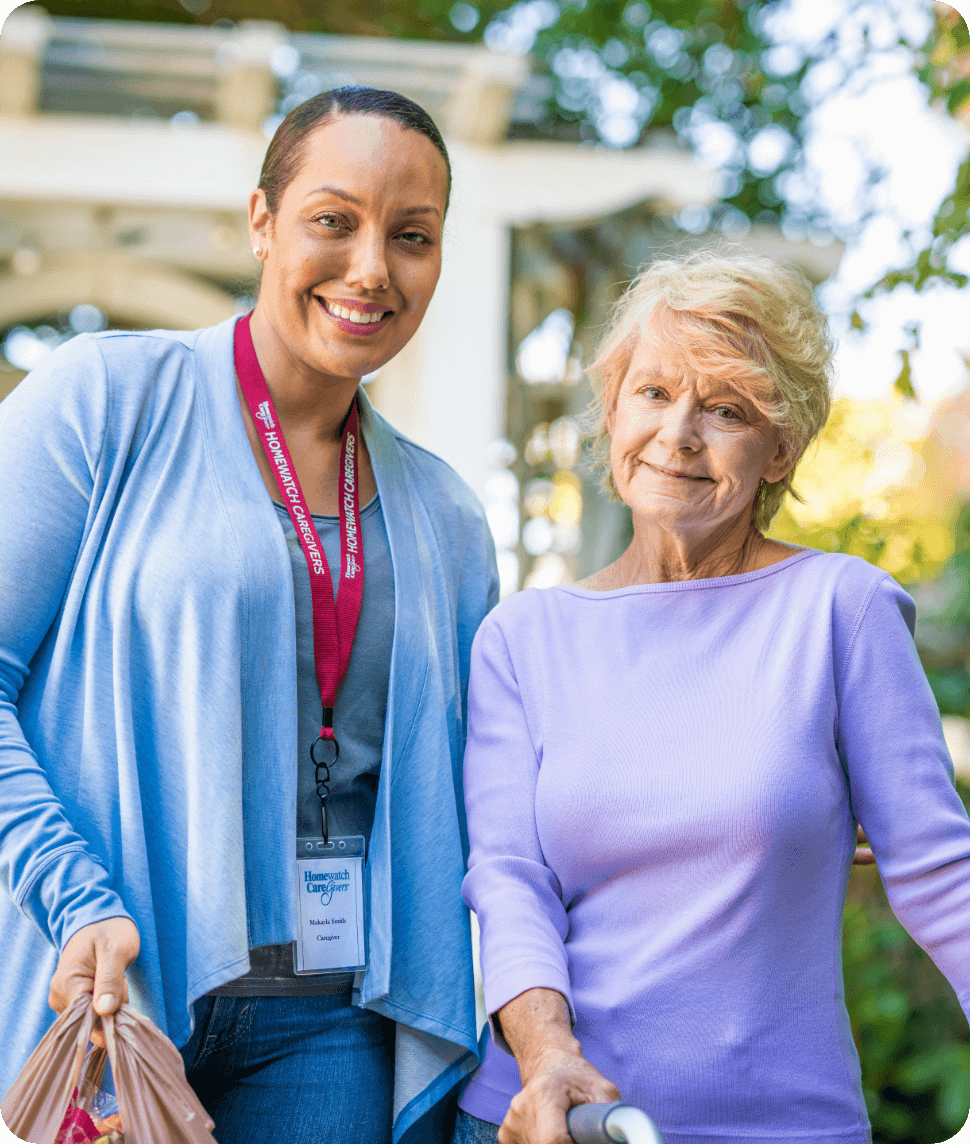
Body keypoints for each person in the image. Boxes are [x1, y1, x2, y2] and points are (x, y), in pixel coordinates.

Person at [0, 86, 497, 1144]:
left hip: (330, 1022)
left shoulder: (450, 518)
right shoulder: (103, 398)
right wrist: (73, 892)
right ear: (262, 220)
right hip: (103, 989)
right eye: (334, 218)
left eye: (412, 236)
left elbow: (492, 776)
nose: (371, 267)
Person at [452, 249, 970, 1144]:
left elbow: (937, 872)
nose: (679, 435)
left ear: (781, 449)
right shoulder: (522, 639)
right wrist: (548, 1059)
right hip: (556, 1122)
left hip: (785, 1127)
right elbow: (511, 882)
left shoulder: (840, 611)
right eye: (653, 392)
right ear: (611, 409)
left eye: (725, 408)